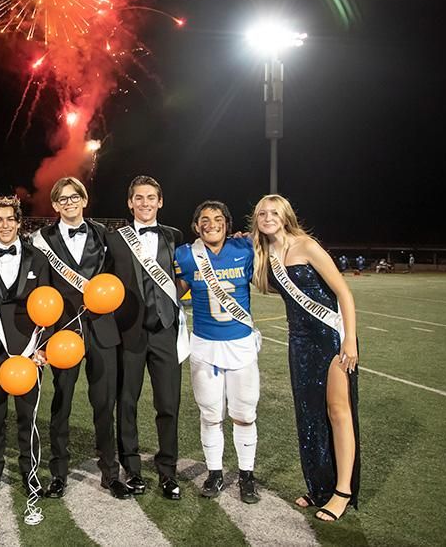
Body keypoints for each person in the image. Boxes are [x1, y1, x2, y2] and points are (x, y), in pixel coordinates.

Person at [251, 194, 360, 522]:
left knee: (338, 412)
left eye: (273, 212)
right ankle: (320, 487)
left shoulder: (307, 246)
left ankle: (342, 492)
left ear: (285, 216)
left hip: (331, 337)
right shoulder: (264, 255)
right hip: (299, 342)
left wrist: (350, 340)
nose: (268, 217)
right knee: (309, 417)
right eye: (261, 214)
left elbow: (343, 292)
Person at [31, 177, 124, 499]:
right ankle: (58, 474)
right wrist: (41, 339)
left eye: (74, 197)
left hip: (101, 329)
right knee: (62, 403)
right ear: (55, 205)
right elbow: (40, 289)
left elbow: (115, 282)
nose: (69, 203)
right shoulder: (42, 239)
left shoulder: (105, 235)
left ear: (84, 200)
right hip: (61, 332)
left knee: (104, 404)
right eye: (62, 199)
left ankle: (110, 473)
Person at [174, 201, 261, 504]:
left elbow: (266, 280)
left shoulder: (245, 249)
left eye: (218, 218)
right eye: (205, 219)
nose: (212, 224)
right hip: (205, 345)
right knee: (210, 414)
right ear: (196, 225)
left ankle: (247, 475)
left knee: (244, 414)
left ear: (227, 222)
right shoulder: (186, 254)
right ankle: (215, 472)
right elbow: (174, 290)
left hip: (240, 344)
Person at [106, 175, 185, 500]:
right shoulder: (115, 239)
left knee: (168, 404)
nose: (145, 203)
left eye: (151, 197)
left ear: (160, 201)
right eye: (139, 198)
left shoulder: (174, 237)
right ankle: (133, 470)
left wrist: (172, 301)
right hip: (130, 332)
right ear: (130, 202)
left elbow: (185, 277)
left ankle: (168, 472)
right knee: (127, 403)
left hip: (165, 331)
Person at [0, 196, 51, 499]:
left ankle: (30, 474)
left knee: (27, 417)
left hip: (29, 348)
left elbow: (48, 306)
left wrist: (41, 348)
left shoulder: (38, 258)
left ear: (19, 222)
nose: (5, 225)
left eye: (10, 219)